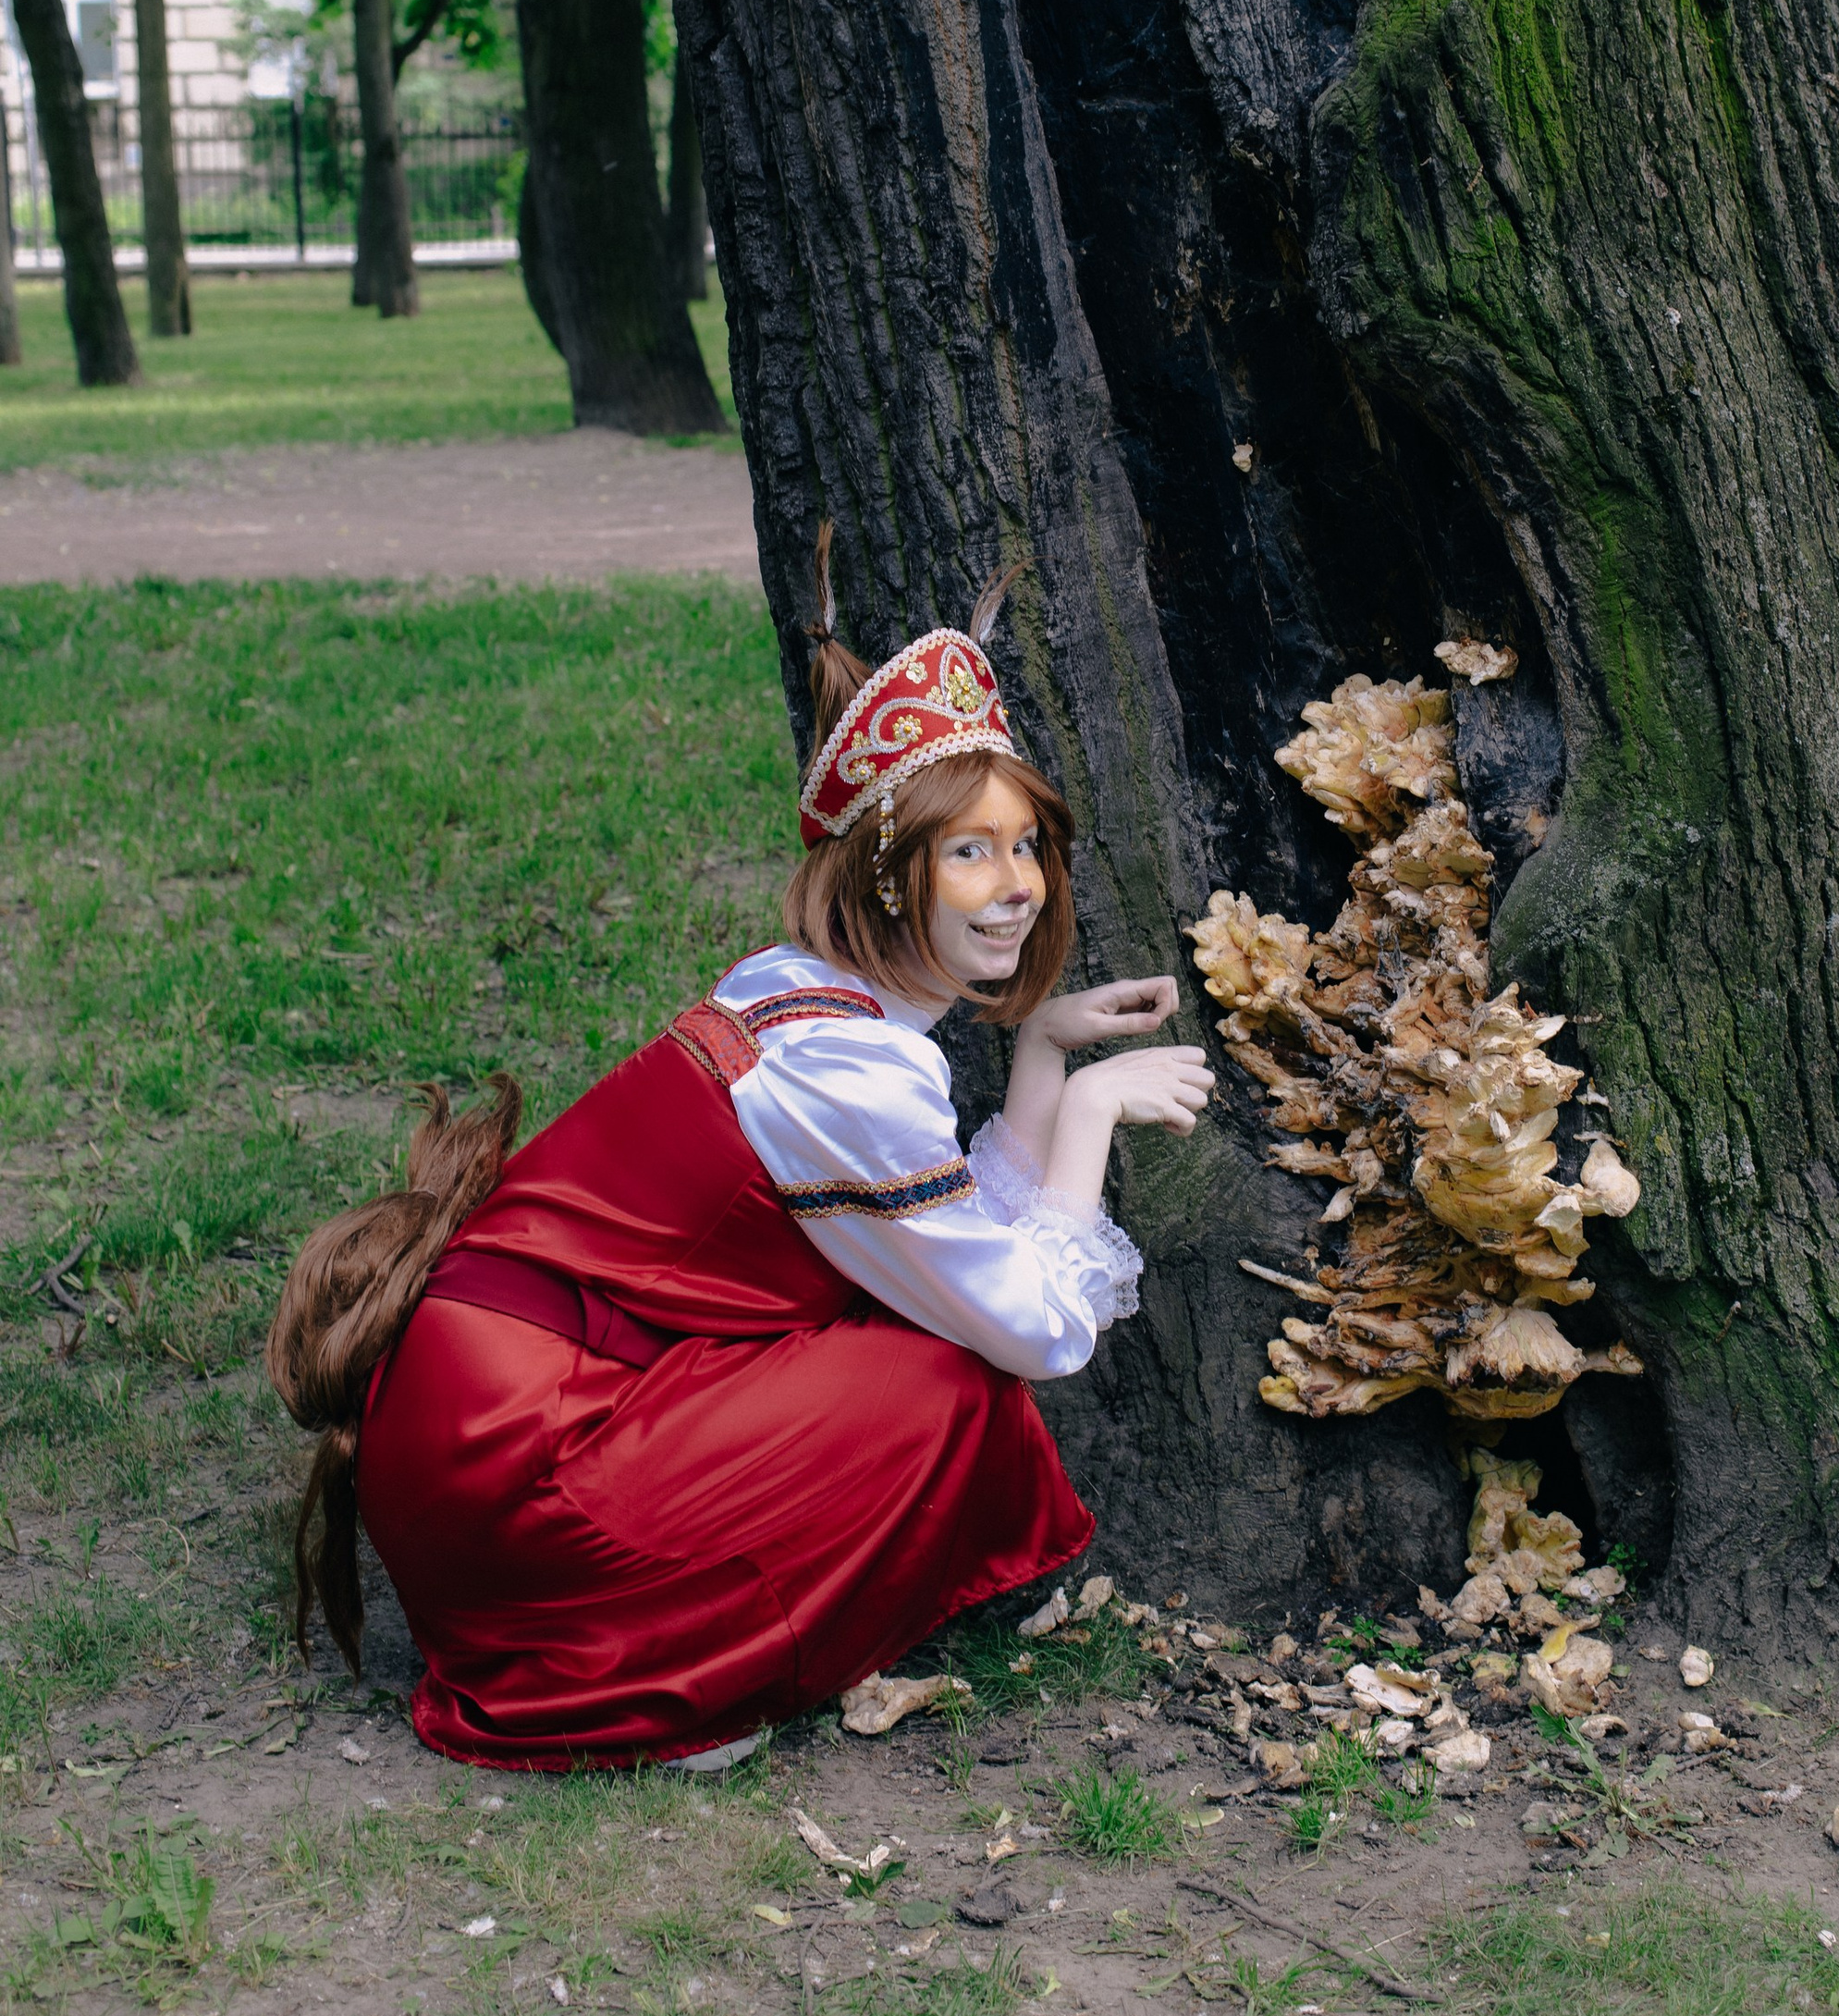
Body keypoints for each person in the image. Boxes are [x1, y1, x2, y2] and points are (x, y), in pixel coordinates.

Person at [264, 532, 1213, 1771]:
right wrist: (1089, 1114)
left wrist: (1039, 1054)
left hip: (475, 1426)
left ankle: (658, 1630)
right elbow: (1027, 1328)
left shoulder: (803, 997)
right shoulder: (851, 1071)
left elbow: (948, 1252)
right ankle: (661, 1679)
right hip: (517, 1468)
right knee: (949, 1384)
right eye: (969, 852)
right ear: (886, 878)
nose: (1018, 885)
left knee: (932, 1339)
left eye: (1027, 844)